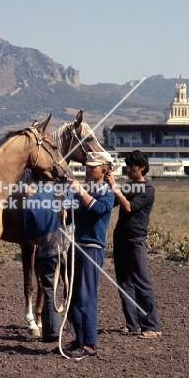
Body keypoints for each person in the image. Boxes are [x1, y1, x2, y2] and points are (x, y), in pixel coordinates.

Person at [105, 150, 162, 339]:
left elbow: (128, 207)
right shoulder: (128, 187)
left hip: (135, 240)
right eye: (127, 166)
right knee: (124, 284)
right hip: (120, 238)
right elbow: (109, 202)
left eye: (132, 166)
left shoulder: (148, 190)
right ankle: (133, 324)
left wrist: (114, 186)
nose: (128, 169)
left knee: (141, 282)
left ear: (142, 168)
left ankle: (152, 326)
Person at [65, 151, 115, 359]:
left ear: (104, 170)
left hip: (92, 249)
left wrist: (79, 191)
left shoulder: (107, 195)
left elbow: (96, 210)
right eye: (87, 165)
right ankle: (79, 338)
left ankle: (90, 343)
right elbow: (69, 216)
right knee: (72, 298)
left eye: (92, 166)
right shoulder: (84, 191)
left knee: (86, 297)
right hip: (76, 247)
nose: (87, 169)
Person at [23, 177, 72, 344]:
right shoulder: (66, 193)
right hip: (67, 250)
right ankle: (72, 325)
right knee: (70, 286)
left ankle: (51, 331)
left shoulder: (32, 200)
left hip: (47, 252)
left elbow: (28, 231)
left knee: (49, 290)